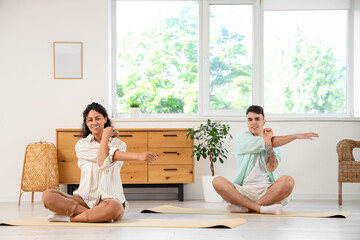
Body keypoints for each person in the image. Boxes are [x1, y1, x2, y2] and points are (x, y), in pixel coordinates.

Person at [42, 102, 158, 222]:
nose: (94, 123)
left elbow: (104, 159)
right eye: (90, 120)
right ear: (86, 123)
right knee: (48, 195)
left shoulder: (119, 144)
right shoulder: (81, 145)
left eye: (98, 118)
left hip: (109, 200)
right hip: (84, 200)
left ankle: (69, 218)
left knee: (115, 207)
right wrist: (137, 156)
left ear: (105, 119)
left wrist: (105, 138)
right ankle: (95, 216)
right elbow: (103, 160)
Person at [212, 105, 319, 215]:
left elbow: (271, 167)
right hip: (244, 191)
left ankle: (247, 208)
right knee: (217, 181)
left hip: (268, 191)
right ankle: (261, 208)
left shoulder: (275, 143)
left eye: (257, 119)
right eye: (250, 119)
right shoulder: (242, 138)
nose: (253, 122)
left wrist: (268, 142)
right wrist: (294, 136)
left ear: (264, 122)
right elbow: (259, 143)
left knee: (288, 181)